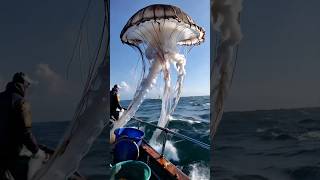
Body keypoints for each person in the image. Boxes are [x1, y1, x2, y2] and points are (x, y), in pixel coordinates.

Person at [0, 72, 46, 180]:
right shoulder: (22, 103)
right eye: (27, 86)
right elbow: (26, 132)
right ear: (24, 85)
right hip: (12, 155)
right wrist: (37, 151)